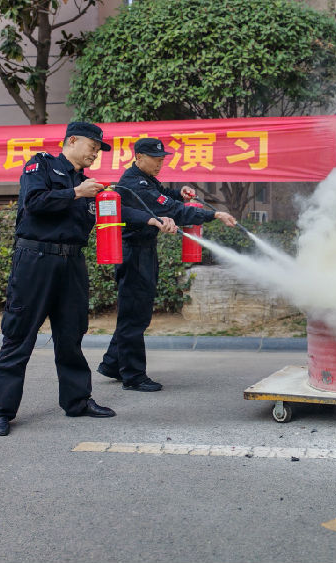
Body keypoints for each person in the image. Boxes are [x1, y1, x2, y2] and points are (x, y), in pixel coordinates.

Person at [0, 122, 167, 436]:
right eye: (92, 147)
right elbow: (34, 203)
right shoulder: (41, 166)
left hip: (72, 263)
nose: (95, 154)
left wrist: (151, 218)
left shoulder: (87, 185)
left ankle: (77, 401)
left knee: (71, 335)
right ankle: (1, 412)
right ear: (72, 140)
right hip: (36, 260)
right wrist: (75, 193)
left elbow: (115, 211)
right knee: (19, 336)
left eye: (98, 150)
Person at [96, 137, 237, 391]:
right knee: (135, 314)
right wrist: (213, 214)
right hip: (133, 253)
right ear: (139, 157)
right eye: (155, 159)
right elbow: (172, 210)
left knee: (135, 311)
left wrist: (179, 193)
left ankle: (113, 364)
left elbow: (163, 197)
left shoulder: (145, 179)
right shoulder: (135, 183)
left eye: (162, 159)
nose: (160, 163)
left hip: (143, 250)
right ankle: (133, 376)